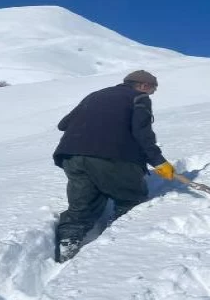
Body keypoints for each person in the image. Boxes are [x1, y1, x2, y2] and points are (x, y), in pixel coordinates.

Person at [52, 70, 177, 263]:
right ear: (143, 85)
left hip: (71, 155)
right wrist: (159, 161)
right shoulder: (139, 98)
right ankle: (117, 245)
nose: (153, 92)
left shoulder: (95, 95)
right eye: (153, 88)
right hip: (111, 156)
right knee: (130, 199)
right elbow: (142, 134)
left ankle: (67, 245)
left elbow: (63, 124)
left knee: (82, 205)